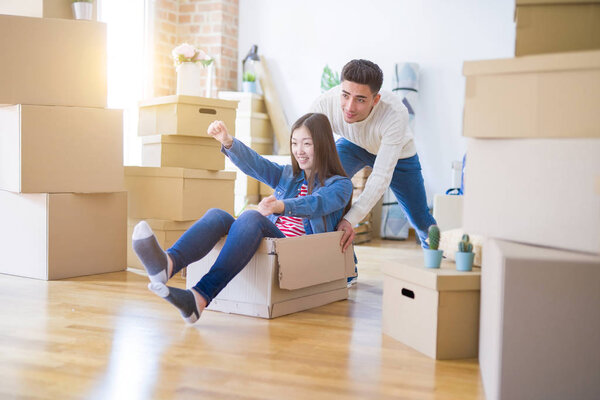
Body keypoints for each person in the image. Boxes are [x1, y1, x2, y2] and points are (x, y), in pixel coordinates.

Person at [132, 113, 353, 324]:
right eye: (295, 143)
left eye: (307, 143)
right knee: (217, 215)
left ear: (323, 145)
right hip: (272, 245)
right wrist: (228, 142)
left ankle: (200, 296)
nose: (299, 151)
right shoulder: (289, 176)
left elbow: (317, 203)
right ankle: (168, 264)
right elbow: (258, 165)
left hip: (294, 251)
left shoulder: (340, 185)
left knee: (250, 218)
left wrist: (280, 206)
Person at [311, 59, 436, 272]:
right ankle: (345, 267)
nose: (349, 107)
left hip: (400, 156)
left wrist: (351, 219)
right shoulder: (324, 104)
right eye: (345, 95)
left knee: (420, 218)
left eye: (360, 99)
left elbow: (380, 177)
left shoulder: (395, 113)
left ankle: (437, 265)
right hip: (353, 144)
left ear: (375, 99)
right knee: (322, 185)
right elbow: (303, 148)